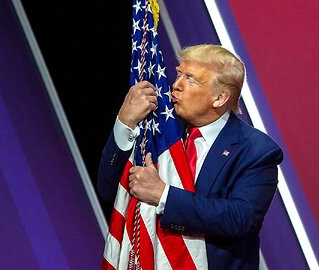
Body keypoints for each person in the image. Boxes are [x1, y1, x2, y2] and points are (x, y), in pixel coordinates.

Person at [98, 44, 283, 269]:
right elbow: (109, 190)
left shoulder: (256, 151)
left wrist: (163, 195)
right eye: (178, 74)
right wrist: (124, 122)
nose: (176, 85)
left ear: (220, 98)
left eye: (190, 79)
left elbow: (239, 218)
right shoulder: (161, 133)